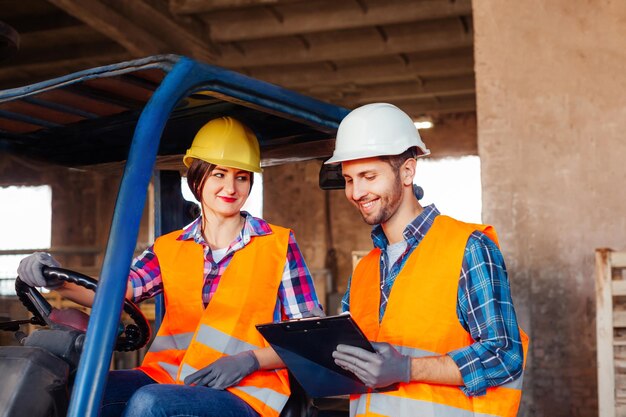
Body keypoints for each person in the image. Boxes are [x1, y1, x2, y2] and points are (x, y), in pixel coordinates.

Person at [17, 116, 322, 417]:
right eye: (219, 174)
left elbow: (310, 336)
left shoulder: (278, 244)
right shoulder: (169, 246)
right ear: (197, 178)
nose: (231, 187)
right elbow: (115, 293)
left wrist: (251, 360)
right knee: (77, 389)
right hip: (170, 376)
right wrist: (54, 279)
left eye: (241, 177)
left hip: (246, 388)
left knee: (152, 403)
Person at [326, 103, 529, 417]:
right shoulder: (366, 269)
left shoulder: (468, 248)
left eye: (368, 176)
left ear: (407, 171)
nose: (356, 192)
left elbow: (504, 355)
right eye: (349, 179)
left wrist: (407, 369)